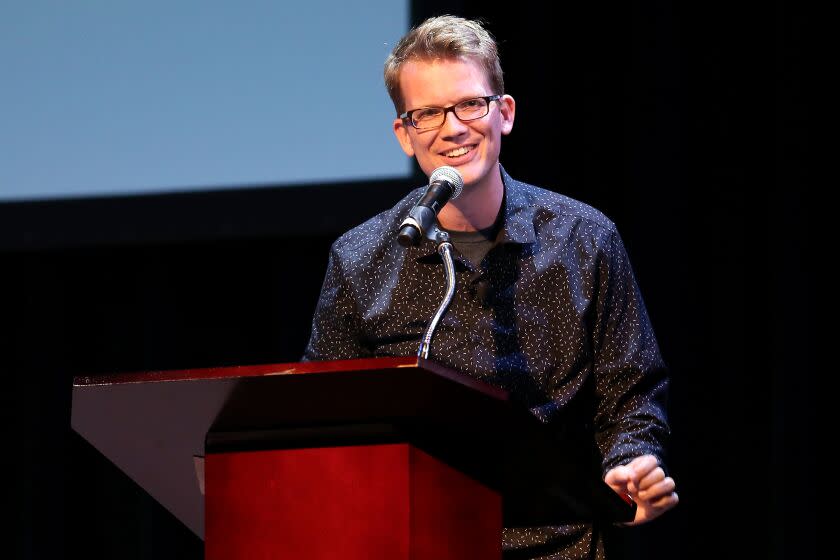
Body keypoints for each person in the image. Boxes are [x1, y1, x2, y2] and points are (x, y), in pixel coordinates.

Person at [303, 14, 678, 559]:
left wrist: (630, 459)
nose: (451, 128)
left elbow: (631, 392)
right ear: (404, 135)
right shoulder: (360, 257)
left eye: (469, 105)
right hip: (412, 541)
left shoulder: (584, 238)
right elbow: (324, 412)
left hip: (559, 544)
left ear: (504, 114)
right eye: (427, 113)